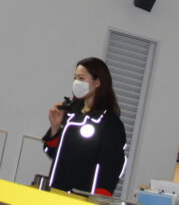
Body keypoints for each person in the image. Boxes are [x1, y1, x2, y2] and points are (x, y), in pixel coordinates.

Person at [42, 57, 127, 197]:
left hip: (83, 196)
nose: (76, 82)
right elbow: (52, 152)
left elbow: (112, 165)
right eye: (75, 78)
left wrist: (99, 197)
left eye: (81, 78)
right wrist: (55, 127)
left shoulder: (110, 123)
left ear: (98, 82)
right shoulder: (70, 113)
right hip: (56, 191)